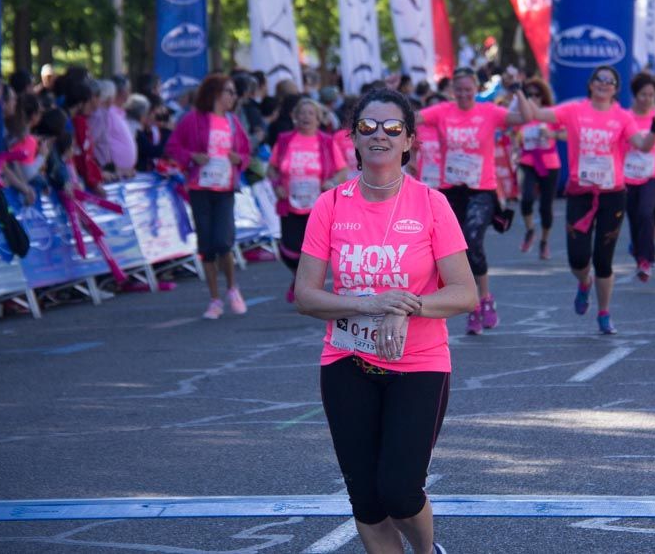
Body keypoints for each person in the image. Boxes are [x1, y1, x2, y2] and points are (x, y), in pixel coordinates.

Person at [295, 88, 476, 554]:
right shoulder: (331, 206)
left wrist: (407, 305)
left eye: (392, 128)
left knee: (399, 491)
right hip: (346, 361)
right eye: (368, 127)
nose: (380, 136)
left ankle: (426, 550)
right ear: (352, 138)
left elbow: (464, 292)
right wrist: (369, 304)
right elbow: (305, 295)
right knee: (368, 502)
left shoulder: (432, 204)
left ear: (409, 141)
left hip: (418, 364)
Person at [517, 66, 655, 334]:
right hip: (580, 194)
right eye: (600, 79)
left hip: (612, 194)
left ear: (616, 89)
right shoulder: (574, 110)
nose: (605, 83)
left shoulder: (622, 116)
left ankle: (604, 312)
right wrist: (518, 90)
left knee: (604, 259)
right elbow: (533, 115)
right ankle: (584, 283)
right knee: (578, 258)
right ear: (591, 83)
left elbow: (643, 145)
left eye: (611, 80)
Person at [417, 67, 526, 335]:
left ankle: (485, 297)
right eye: (460, 90)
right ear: (453, 91)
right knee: (453, 248)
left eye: (469, 90)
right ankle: (473, 303)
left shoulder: (488, 112)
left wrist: (518, 92)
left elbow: (523, 117)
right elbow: (413, 118)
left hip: (481, 189)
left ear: (476, 90)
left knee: (473, 238)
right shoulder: (442, 111)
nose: (464, 95)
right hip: (451, 190)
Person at [165, 74, 252, 318]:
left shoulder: (233, 122)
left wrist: (240, 160)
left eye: (234, 92)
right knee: (207, 245)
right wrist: (192, 156)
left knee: (224, 241)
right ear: (215, 94)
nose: (233, 97)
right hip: (200, 188)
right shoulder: (193, 119)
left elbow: (245, 151)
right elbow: (173, 146)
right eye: (230, 92)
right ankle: (214, 299)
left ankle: (233, 288)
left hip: (225, 189)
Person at [268, 97, 348, 303]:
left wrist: (330, 182)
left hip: (317, 205)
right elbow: (272, 168)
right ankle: (298, 277)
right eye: (302, 113)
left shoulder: (326, 142)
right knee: (289, 249)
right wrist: (277, 185)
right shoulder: (285, 140)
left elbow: (342, 171)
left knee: (312, 249)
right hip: (291, 203)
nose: (306, 117)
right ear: (295, 117)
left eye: (310, 113)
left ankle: (304, 286)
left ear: (318, 118)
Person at [623, 73, 655, 282]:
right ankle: (639, 249)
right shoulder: (625, 117)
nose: (647, 99)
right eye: (643, 94)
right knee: (634, 217)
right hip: (629, 175)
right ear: (635, 95)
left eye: (651, 95)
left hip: (654, 174)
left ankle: (646, 260)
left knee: (645, 213)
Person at [514, 78, 560, 261]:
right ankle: (530, 230)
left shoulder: (550, 114)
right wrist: (516, 143)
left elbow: (566, 133)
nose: (533, 98)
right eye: (529, 95)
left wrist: (552, 134)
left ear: (543, 96)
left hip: (550, 163)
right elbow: (514, 136)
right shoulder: (522, 116)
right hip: (528, 161)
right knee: (526, 199)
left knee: (546, 207)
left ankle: (544, 241)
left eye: (536, 94)